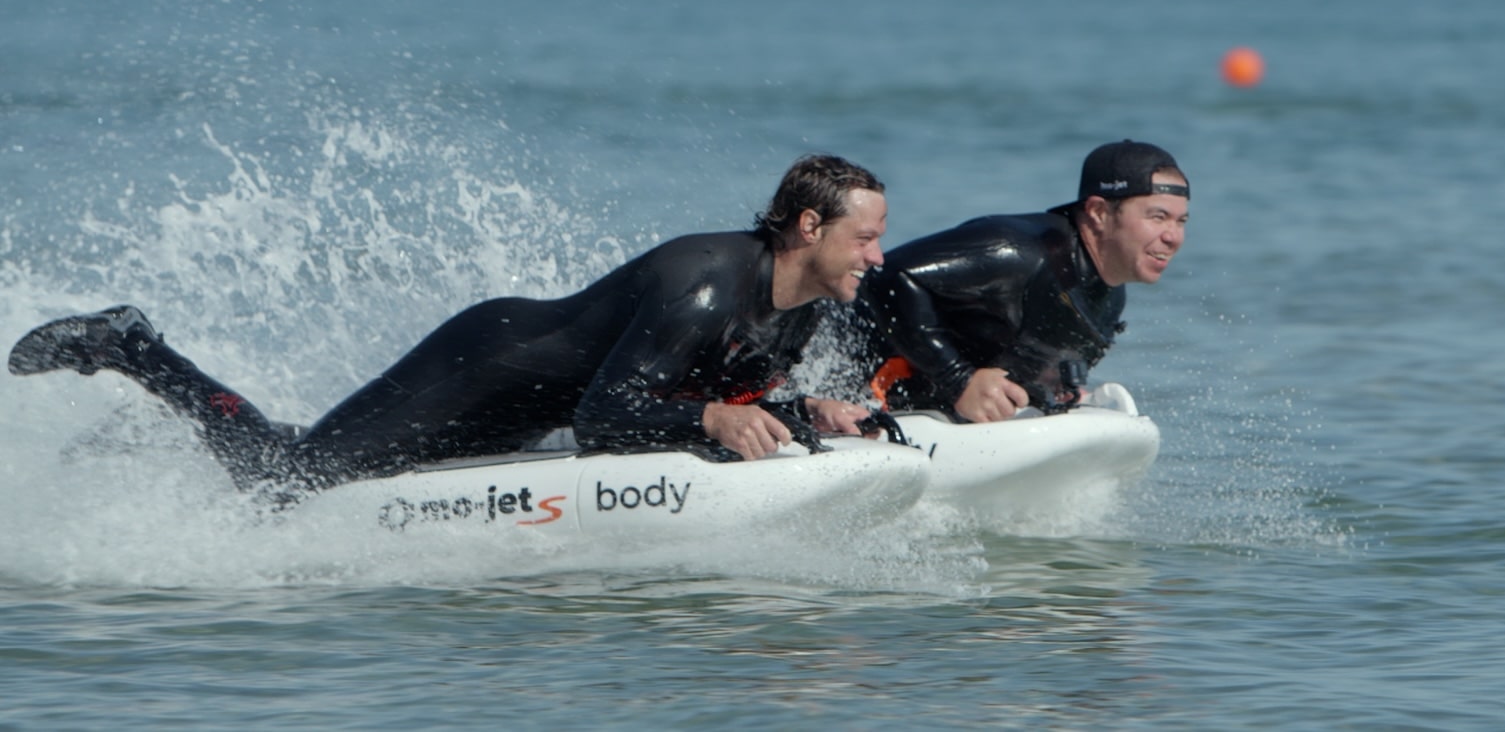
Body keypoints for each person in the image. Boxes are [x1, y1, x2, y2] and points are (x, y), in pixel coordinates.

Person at [8, 154, 889, 492]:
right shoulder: (700, 280)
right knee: (286, 483)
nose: (878, 258)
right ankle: (131, 346)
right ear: (808, 227)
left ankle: (152, 429)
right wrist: (711, 421)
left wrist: (803, 411)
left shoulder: (801, 308)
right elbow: (606, 415)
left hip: (531, 407)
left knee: (340, 472)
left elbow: (719, 387)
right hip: (485, 366)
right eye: (866, 239)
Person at [859, 140, 1188, 423]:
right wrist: (959, 380)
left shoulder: (1110, 295)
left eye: (1181, 221)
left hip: (930, 413)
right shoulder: (1017, 251)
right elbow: (888, 276)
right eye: (1157, 217)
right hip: (856, 387)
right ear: (1099, 213)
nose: (1173, 237)